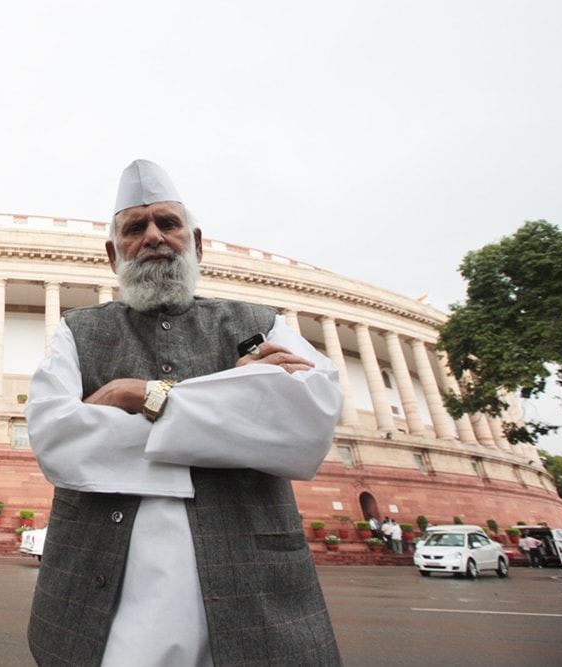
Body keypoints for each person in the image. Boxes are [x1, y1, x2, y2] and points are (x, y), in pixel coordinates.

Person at [25, 159, 344, 665]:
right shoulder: (78, 330)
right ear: (113, 254)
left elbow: (308, 426)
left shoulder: (260, 323)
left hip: (252, 593)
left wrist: (136, 394)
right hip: (104, 595)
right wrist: (238, 395)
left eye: (168, 224)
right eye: (136, 228)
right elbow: (56, 438)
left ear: (196, 243)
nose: (154, 237)